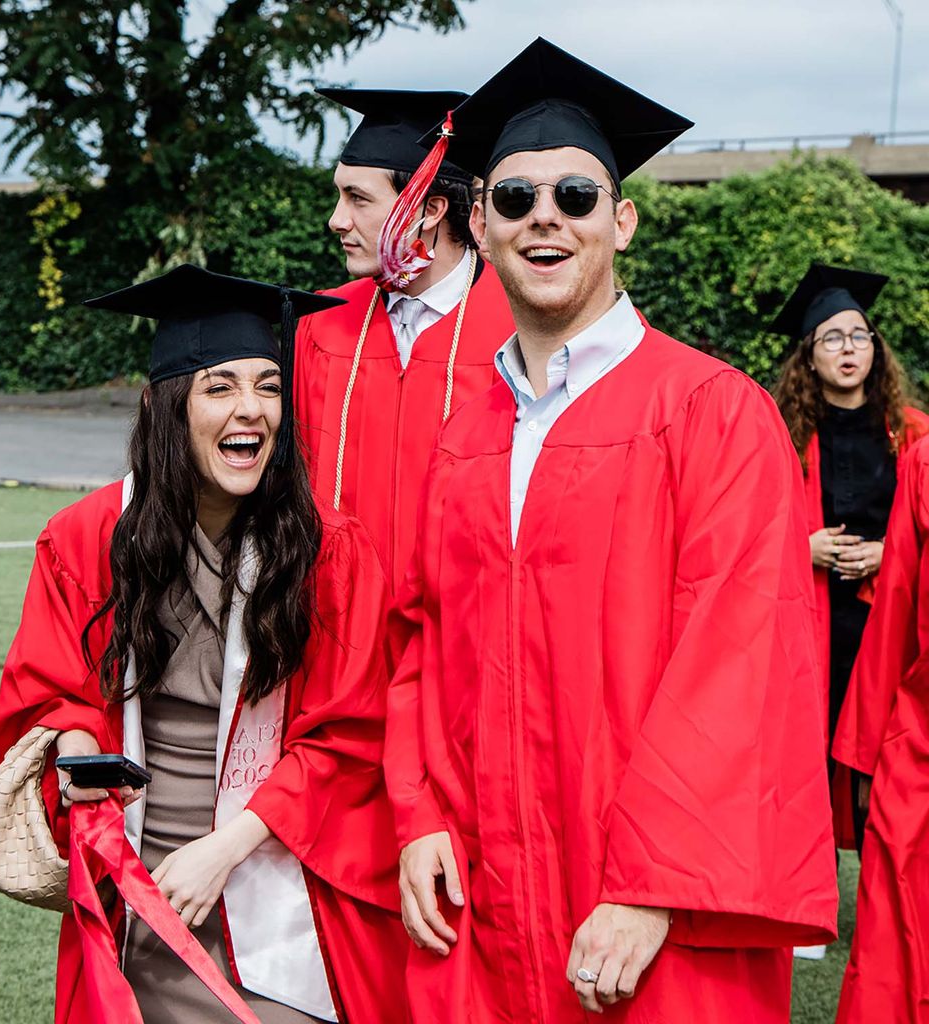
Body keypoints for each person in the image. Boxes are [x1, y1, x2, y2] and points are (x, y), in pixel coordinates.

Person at [384, 38, 838, 1024]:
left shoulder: (711, 410)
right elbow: (420, 638)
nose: (544, 216)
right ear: (480, 223)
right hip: (479, 896)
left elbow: (745, 662)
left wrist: (653, 885)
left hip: (648, 909)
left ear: (621, 220)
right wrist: (416, 815)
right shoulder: (464, 431)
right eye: (513, 198)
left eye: (576, 197)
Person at [0, 264, 408, 1024]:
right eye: (220, 387)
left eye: (269, 386)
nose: (252, 409)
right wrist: (78, 753)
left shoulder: (330, 552)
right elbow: (47, 694)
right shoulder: (85, 540)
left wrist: (226, 849)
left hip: (281, 873)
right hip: (141, 873)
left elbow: (349, 736)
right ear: (162, 406)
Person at [294, 89, 514, 591]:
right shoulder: (321, 322)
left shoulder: (520, 331)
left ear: (430, 209)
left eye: (358, 199)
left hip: (460, 628)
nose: (336, 220)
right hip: (333, 628)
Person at [771, 263, 928, 863]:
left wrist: (890, 556)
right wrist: (801, 548)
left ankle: (889, 876)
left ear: (875, 349)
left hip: (888, 622)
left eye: (859, 335)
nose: (848, 349)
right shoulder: (785, 433)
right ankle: (810, 880)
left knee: (883, 753)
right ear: (809, 357)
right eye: (831, 338)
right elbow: (751, 527)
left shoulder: (913, 434)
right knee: (807, 749)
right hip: (812, 619)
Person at [832, 434, 929, 1023]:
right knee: (895, 949)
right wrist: (867, 754)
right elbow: (894, 603)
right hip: (918, 745)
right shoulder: (924, 461)